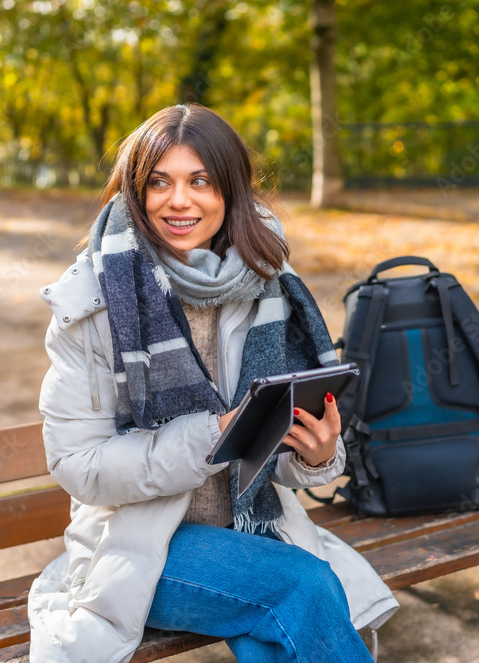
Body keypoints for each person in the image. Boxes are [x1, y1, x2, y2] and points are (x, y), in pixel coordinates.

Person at [28, 104, 398, 662]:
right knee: (301, 586)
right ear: (134, 191)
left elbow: (275, 458)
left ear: (230, 191)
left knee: (280, 622)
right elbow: (78, 465)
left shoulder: (267, 283)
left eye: (200, 180)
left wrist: (318, 455)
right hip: (139, 543)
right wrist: (211, 436)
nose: (180, 201)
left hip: (249, 528)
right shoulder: (93, 305)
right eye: (160, 182)